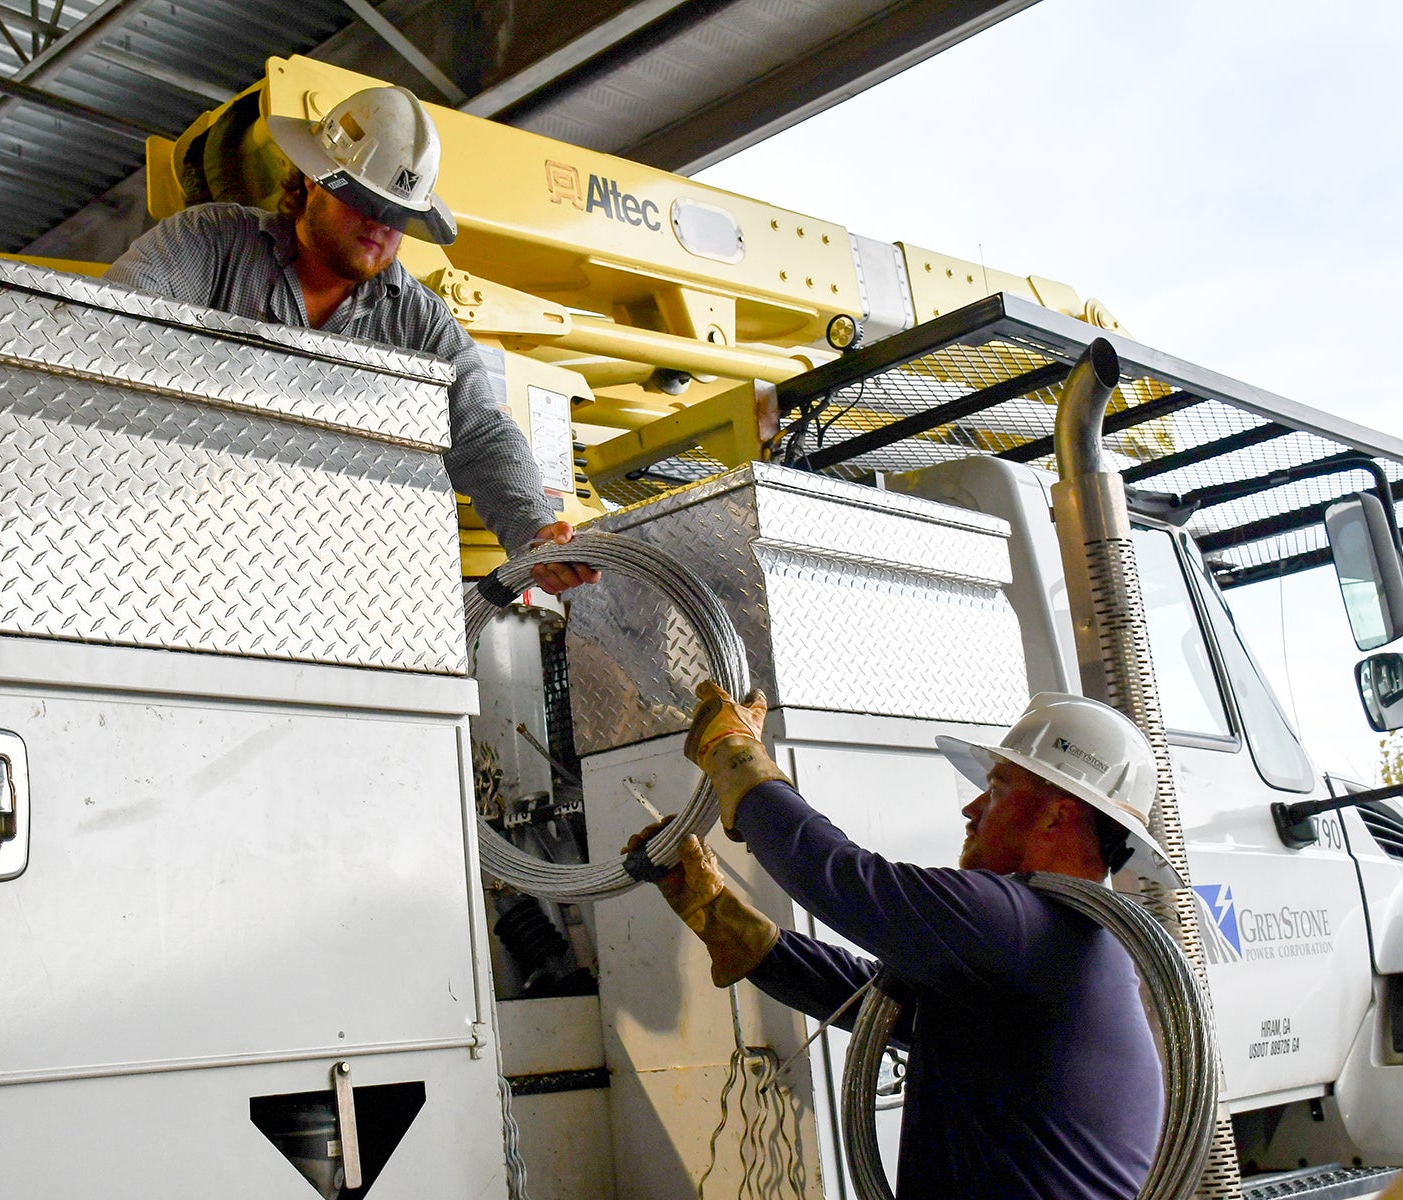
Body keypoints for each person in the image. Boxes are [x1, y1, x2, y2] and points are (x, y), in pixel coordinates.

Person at [631, 684, 1181, 1200]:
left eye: (996, 789)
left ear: (1057, 815)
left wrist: (733, 752)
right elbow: (869, 999)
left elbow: (837, 876)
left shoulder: (1026, 925)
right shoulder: (1070, 952)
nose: (972, 810)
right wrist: (716, 912)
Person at [104, 85, 597, 595]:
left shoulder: (420, 324)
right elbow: (108, 329)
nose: (379, 225)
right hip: (168, 533)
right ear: (313, 180)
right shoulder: (209, 244)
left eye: (398, 214)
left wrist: (535, 531)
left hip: (325, 572)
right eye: (364, 201)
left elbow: (480, 436)